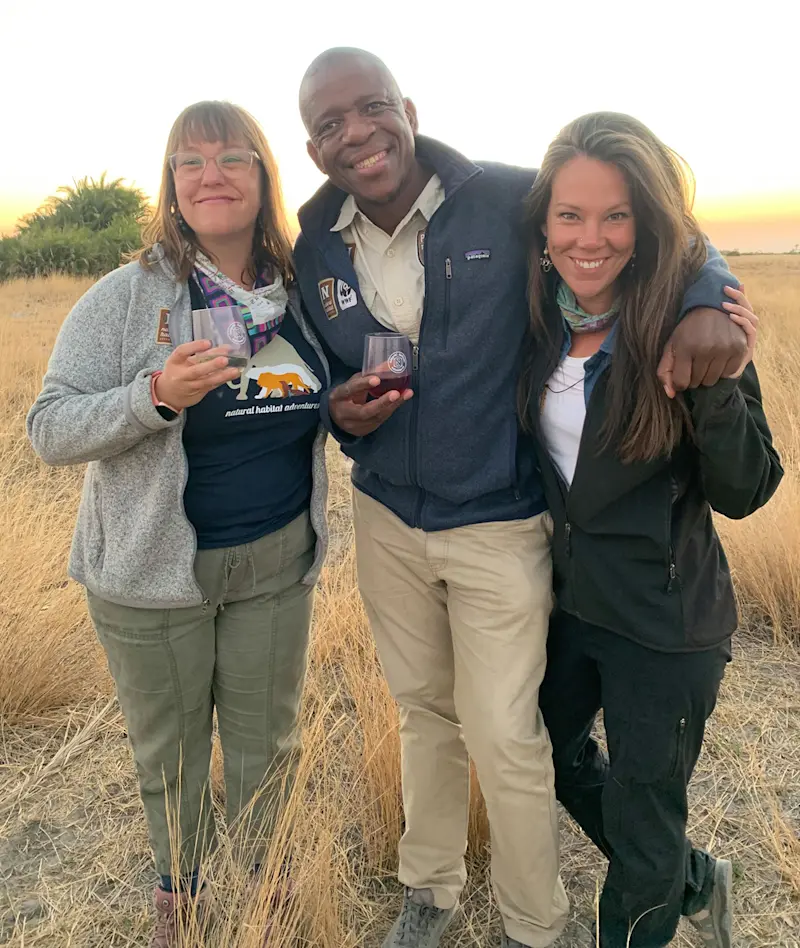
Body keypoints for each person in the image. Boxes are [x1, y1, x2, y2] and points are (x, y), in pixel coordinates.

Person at [294, 48, 750, 948]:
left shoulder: (505, 196)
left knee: (506, 734)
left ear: (407, 108)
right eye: (329, 124)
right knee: (424, 711)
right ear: (314, 149)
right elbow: (321, 374)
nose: (358, 132)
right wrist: (339, 416)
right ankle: (429, 893)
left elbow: (644, 224)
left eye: (372, 107)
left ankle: (534, 927)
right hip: (385, 514)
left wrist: (704, 298)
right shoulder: (312, 243)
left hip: (499, 523)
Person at [27, 101, 330, 948]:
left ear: (265, 175)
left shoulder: (303, 294)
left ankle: (268, 895)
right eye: (190, 162)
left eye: (233, 158)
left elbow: (312, 399)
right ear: (171, 183)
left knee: (268, 745)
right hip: (153, 570)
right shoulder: (128, 297)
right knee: (172, 758)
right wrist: (154, 396)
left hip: (275, 560)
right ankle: (185, 902)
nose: (212, 176)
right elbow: (50, 428)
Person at [519, 112, 783, 948]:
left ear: (648, 223)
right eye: (570, 215)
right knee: (546, 759)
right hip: (572, 607)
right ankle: (693, 876)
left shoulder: (690, 323)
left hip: (666, 626)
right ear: (545, 223)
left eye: (616, 215)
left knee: (641, 819)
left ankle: (653, 893)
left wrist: (717, 377)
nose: (589, 238)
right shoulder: (538, 320)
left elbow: (746, 490)